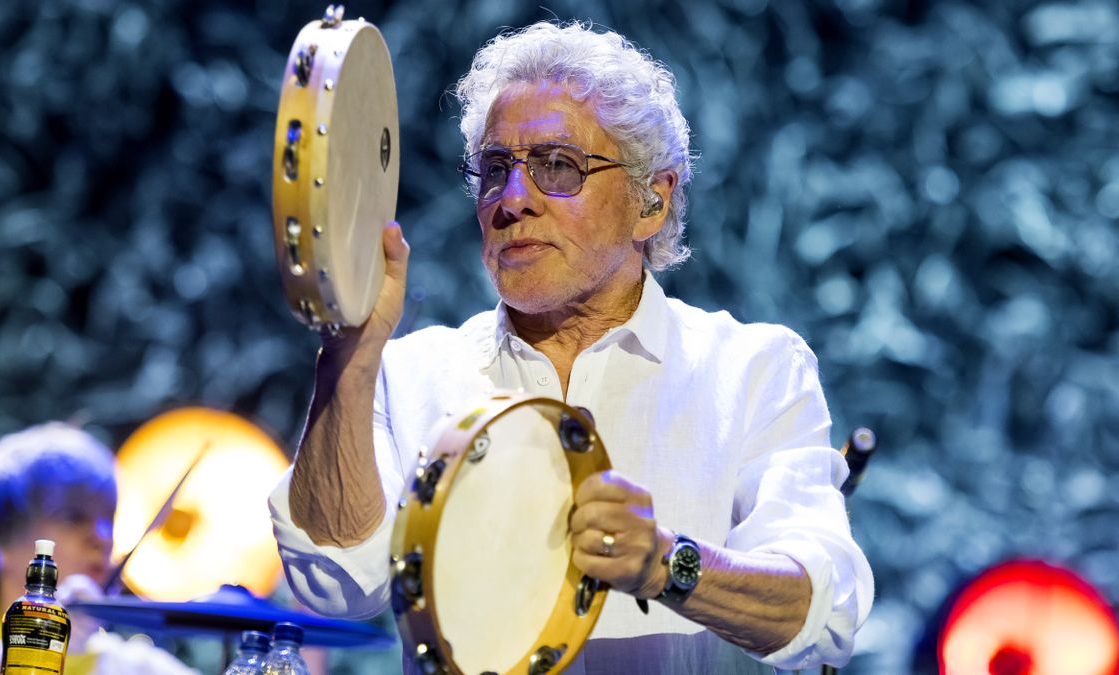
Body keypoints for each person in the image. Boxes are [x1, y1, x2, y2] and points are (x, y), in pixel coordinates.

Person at [269, 20, 873, 674]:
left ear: (651, 201)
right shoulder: (409, 373)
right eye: (495, 169)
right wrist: (349, 351)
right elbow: (334, 579)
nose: (513, 199)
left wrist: (667, 563)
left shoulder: (752, 370)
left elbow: (824, 613)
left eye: (558, 166)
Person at [0, 422, 198, 675]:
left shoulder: (138, 666)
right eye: (73, 517)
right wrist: (40, 638)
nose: (102, 538)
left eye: (108, 519)